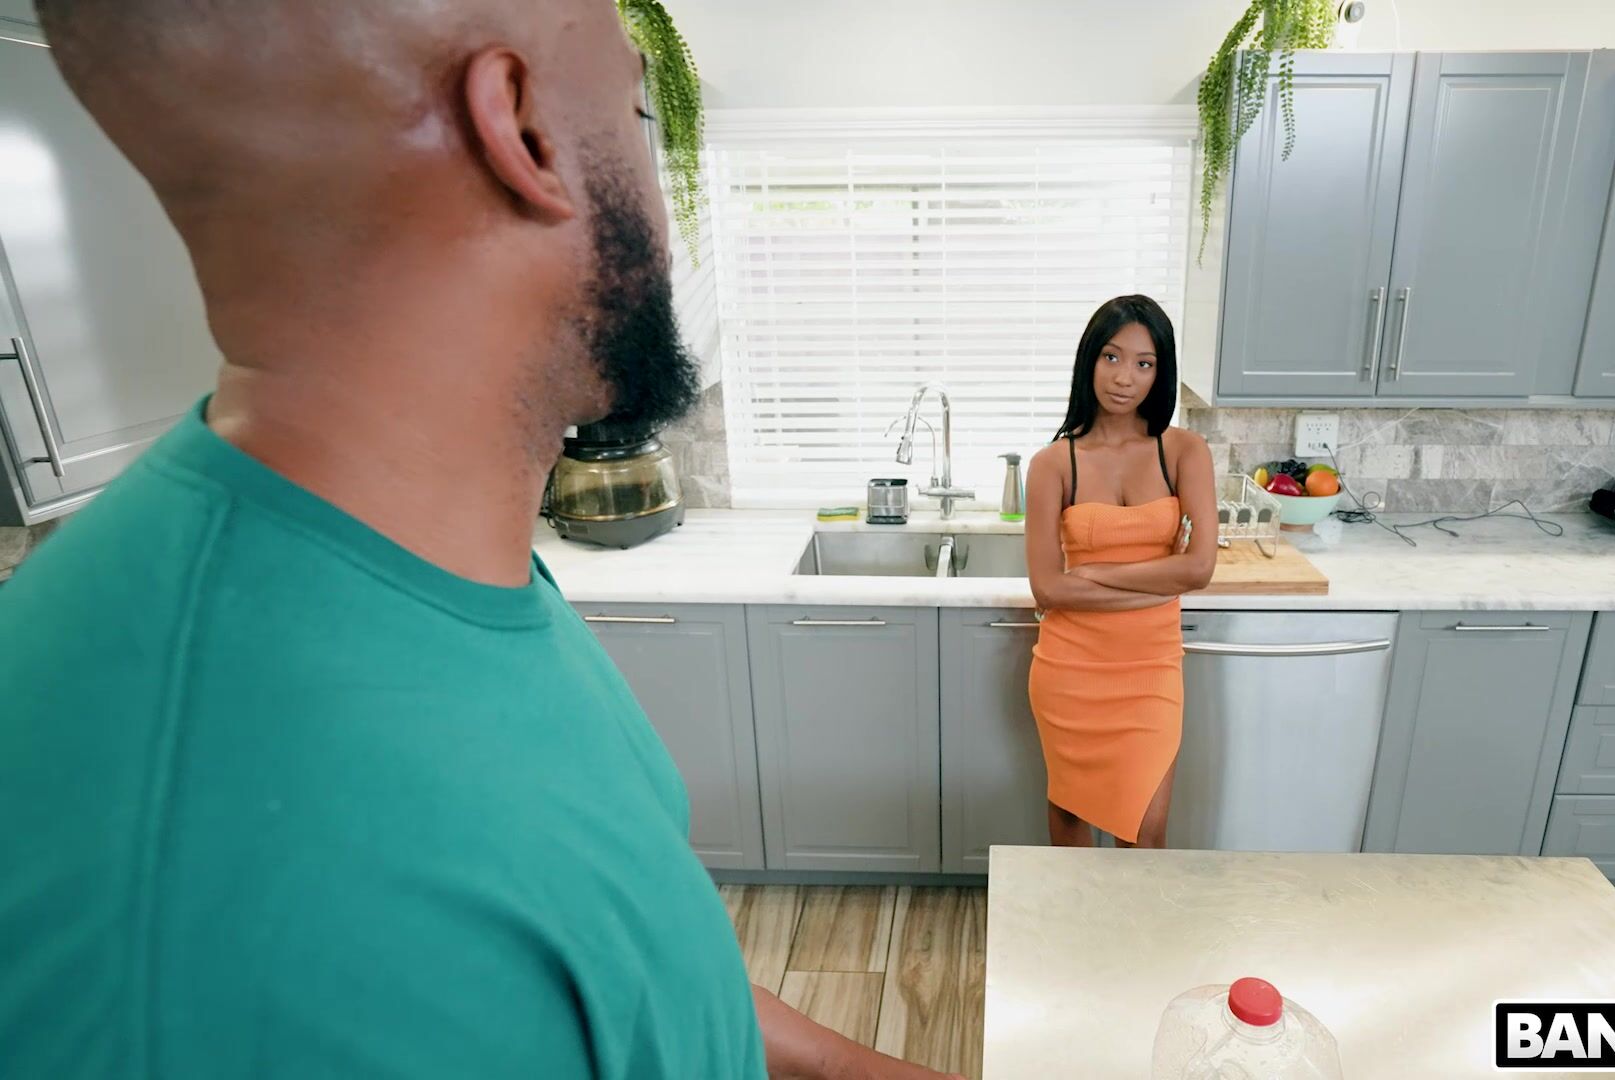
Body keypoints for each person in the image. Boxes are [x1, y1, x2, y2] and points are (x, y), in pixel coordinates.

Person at [0, 2, 958, 1078]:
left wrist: (842, 1066)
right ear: (523, 131)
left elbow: (625, 946)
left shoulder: (429, 557)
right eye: (635, 113)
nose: (667, 205)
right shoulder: (232, 943)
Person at [1023, 295, 1219, 851]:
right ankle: (1074, 914)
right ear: (1089, 359)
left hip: (1152, 666)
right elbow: (1047, 587)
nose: (1124, 377)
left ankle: (1136, 920)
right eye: (1111, 357)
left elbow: (1199, 568)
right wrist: (1160, 582)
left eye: (1143, 363)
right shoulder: (1053, 464)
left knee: (1145, 836)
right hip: (1070, 670)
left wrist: (1095, 573)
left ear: (1161, 372)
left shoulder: (1184, 452)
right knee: (1070, 824)